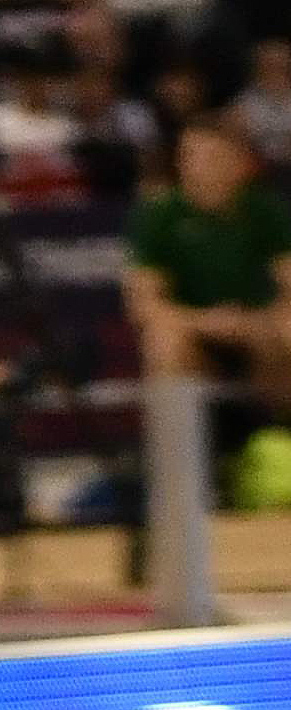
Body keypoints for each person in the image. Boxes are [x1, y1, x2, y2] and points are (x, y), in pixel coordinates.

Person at [124, 120, 291, 466]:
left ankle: (276, 445)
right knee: (164, 343)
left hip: (257, 334)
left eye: (210, 156)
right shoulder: (159, 216)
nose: (195, 166)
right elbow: (144, 305)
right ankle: (179, 474)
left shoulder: (266, 212)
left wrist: (256, 321)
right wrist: (208, 322)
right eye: (188, 156)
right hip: (196, 337)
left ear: (240, 163)